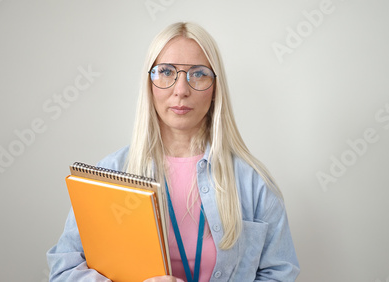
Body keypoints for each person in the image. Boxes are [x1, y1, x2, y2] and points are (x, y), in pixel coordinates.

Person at [47, 22, 300, 281]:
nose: (181, 90)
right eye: (166, 72)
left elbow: (279, 273)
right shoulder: (109, 174)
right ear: (149, 84)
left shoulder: (254, 184)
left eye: (199, 74)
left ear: (215, 89)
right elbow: (64, 270)